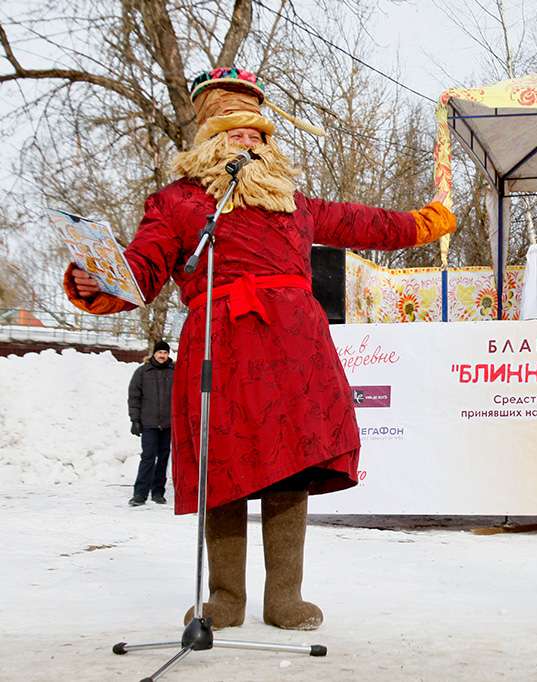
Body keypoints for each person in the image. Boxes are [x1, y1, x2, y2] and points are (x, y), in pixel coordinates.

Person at [63, 67, 456, 631]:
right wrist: (101, 281)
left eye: (255, 135)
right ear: (209, 141)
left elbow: (365, 222)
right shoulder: (177, 203)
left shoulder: (295, 204)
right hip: (219, 346)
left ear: (267, 144)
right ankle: (226, 597)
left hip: (295, 349)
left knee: (291, 468)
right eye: (234, 133)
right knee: (223, 469)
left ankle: (285, 598)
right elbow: (144, 267)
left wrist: (423, 222)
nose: (246, 142)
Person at [128, 340, 174, 506]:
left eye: (165, 353)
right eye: (160, 352)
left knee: (163, 458)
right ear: (154, 353)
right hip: (149, 423)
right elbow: (134, 397)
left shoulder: (174, 372)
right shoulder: (142, 372)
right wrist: (134, 420)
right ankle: (140, 494)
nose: (162, 356)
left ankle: (158, 492)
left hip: (168, 424)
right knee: (147, 457)